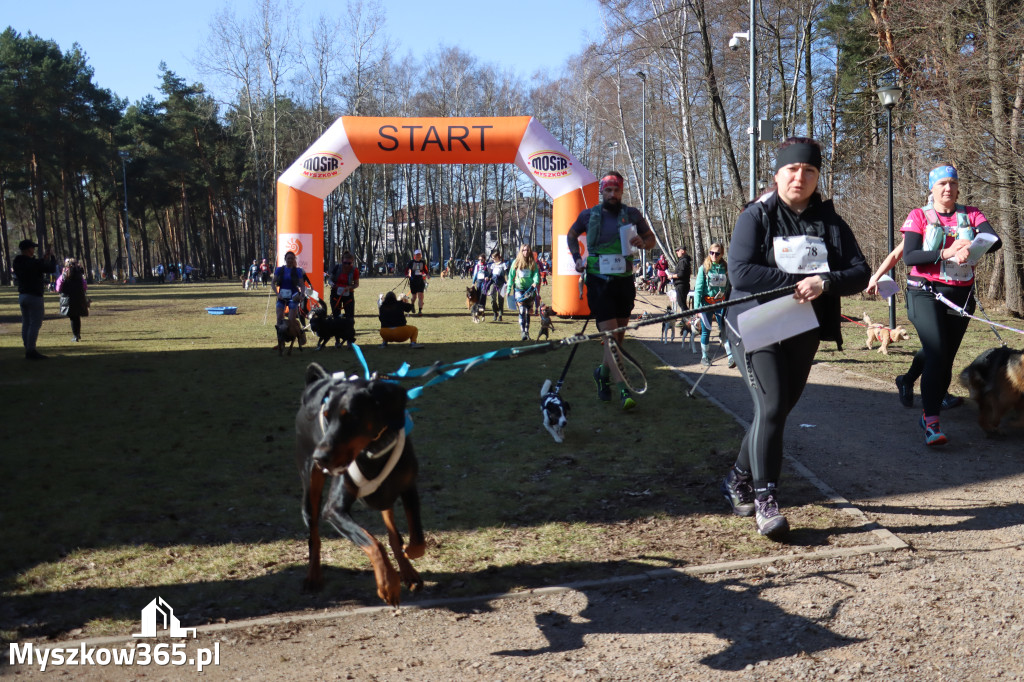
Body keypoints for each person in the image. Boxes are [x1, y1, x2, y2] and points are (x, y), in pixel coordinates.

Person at [721, 137, 869, 539]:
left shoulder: (830, 222)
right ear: (777, 174)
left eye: (809, 171)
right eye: (792, 170)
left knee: (779, 409)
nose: (799, 177)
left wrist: (825, 282)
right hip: (754, 322)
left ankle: (737, 475)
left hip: (802, 325)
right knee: (770, 406)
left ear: (818, 176)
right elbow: (741, 273)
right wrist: (797, 283)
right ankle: (766, 500)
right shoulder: (757, 215)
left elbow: (859, 271)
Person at [899, 164, 1001, 445]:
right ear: (931, 188)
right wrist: (946, 252)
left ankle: (922, 404)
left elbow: (995, 240)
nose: (948, 188)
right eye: (942, 184)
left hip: (960, 295)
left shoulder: (971, 214)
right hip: (925, 292)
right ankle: (931, 421)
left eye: (952, 183)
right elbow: (910, 257)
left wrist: (972, 247)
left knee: (945, 357)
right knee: (937, 352)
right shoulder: (919, 215)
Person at [566, 170, 656, 410]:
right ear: (602, 191)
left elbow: (651, 239)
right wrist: (577, 258)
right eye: (608, 190)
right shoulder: (588, 215)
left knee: (618, 338)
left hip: (624, 280)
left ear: (622, 191)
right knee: (610, 338)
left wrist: (642, 243)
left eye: (616, 190)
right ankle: (624, 389)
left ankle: (602, 372)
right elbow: (571, 235)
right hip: (598, 280)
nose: (612, 194)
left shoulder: (632, 214)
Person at [865, 239, 964, 411]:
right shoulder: (925, 224)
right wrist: (876, 276)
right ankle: (935, 401)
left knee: (943, 347)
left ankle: (908, 380)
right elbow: (897, 253)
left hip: (956, 293)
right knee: (937, 346)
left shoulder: (963, 225)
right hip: (925, 292)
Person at [693, 243, 734, 368]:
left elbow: (728, 288)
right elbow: (698, 290)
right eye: (712, 253)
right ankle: (705, 356)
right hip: (706, 304)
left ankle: (731, 356)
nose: (714, 256)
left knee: (724, 330)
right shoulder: (704, 268)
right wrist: (696, 309)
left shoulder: (725, 268)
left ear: (721, 254)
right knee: (706, 331)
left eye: (717, 253)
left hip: (721, 304)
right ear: (709, 252)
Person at [13, 239, 50, 360]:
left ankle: (27, 346)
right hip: (34, 296)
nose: (33, 250)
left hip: (23, 295)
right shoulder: (32, 263)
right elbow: (49, 268)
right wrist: (51, 258)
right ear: (28, 249)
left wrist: (42, 259)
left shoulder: (17, 261)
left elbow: (35, 265)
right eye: (32, 248)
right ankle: (31, 350)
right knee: (35, 323)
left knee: (26, 322)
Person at [506, 244, 541, 341]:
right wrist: (508, 289)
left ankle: (527, 332)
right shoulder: (516, 262)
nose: (525, 252)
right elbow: (511, 276)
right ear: (521, 251)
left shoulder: (532, 262)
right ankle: (523, 332)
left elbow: (536, 275)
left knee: (528, 312)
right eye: (524, 250)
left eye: (527, 250)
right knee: (522, 310)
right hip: (519, 289)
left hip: (529, 290)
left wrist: (535, 282)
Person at [273, 251, 312, 325]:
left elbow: (302, 285)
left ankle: (298, 333)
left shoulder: (298, 271)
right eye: (288, 258)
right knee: (279, 318)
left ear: (294, 260)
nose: (290, 260)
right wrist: (277, 294)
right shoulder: (279, 270)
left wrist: (301, 295)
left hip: (293, 298)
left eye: (292, 258)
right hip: (282, 297)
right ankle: (280, 335)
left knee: (291, 320)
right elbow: (272, 283)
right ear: (285, 259)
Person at [56, 258, 89, 342]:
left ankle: (75, 335)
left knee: (73, 317)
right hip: (79, 297)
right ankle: (77, 334)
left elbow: (58, 286)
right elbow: (84, 285)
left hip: (68, 298)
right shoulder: (79, 274)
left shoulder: (64, 274)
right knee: (77, 317)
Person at [328, 251, 360, 322]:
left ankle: (349, 331)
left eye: (349, 263)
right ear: (342, 261)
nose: (347, 265)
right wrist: (332, 284)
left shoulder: (354, 270)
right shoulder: (337, 268)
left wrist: (349, 287)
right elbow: (330, 280)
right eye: (345, 263)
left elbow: (356, 284)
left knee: (350, 317)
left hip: (348, 294)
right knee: (336, 316)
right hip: (335, 294)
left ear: (352, 262)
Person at [405, 249, 429, 315]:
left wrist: (427, 275)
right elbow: (407, 269)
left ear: (421, 255)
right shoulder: (411, 262)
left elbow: (426, 270)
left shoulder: (423, 262)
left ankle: (420, 311)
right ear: (414, 255)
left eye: (419, 254)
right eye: (417, 255)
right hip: (413, 281)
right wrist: (407, 274)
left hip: (420, 281)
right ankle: (412, 305)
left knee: (420, 296)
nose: (418, 256)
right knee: (414, 297)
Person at [670, 246, 692, 313]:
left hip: (682, 285)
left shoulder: (683, 261)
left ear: (682, 251)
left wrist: (672, 276)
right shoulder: (683, 260)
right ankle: (686, 318)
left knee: (682, 304)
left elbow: (681, 274)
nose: (676, 252)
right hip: (681, 284)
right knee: (682, 304)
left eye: (678, 250)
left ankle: (688, 318)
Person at [487, 251, 508, 322]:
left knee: (500, 299)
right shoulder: (492, 265)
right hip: (493, 282)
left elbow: (507, 273)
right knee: (493, 299)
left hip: (501, 283)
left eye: (494, 257)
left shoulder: (503, 264)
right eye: (492, 258)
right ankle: (495, 312)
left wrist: (507, 281)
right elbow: (490, 274)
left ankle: (500, 314)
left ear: (497, 257)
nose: (493, 259)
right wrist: (487, 277)